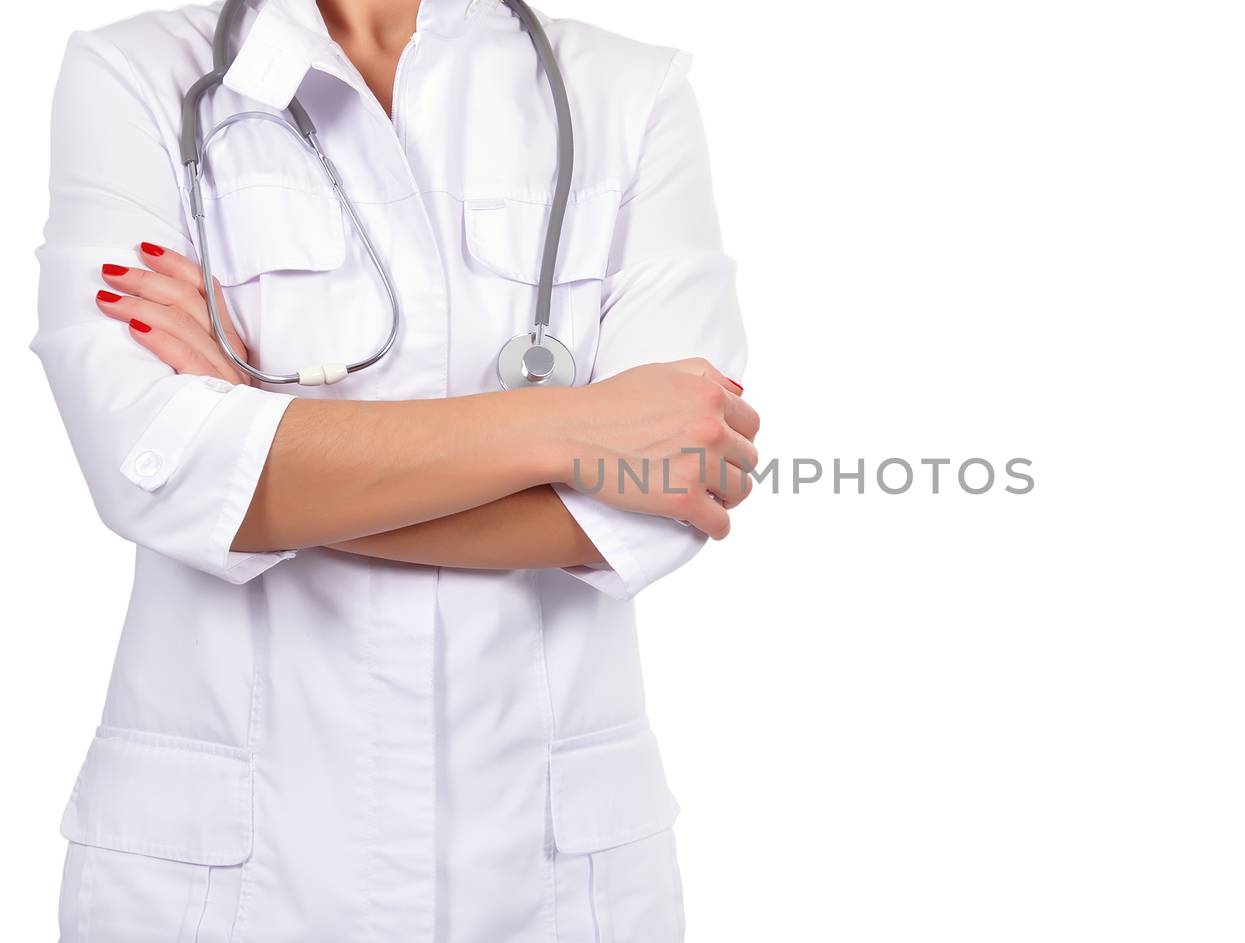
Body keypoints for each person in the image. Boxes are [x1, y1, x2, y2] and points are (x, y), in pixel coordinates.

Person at [33, 1, 756, 940]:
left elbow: (669, 491)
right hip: (233, 881)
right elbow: (147, 467)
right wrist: (570, 426)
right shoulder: (136, 75)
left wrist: (252, 436)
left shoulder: (629, 91)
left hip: (543, 877)